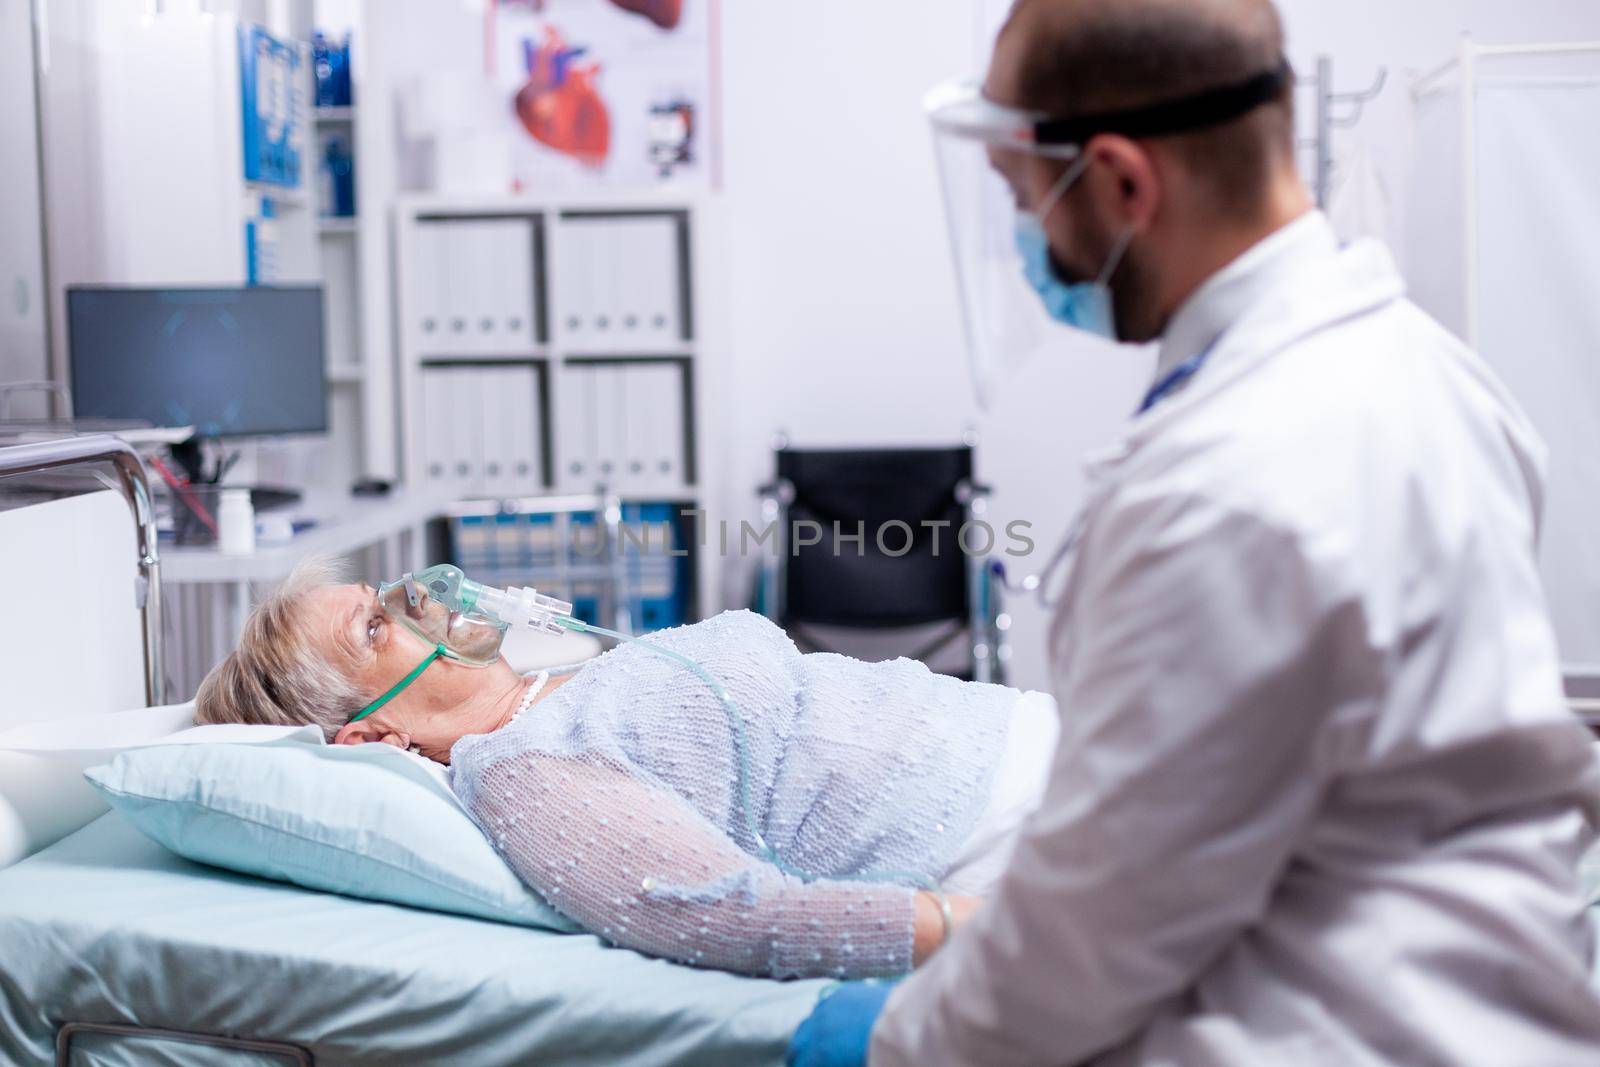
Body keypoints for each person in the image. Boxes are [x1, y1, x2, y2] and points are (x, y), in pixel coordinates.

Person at [789, 0, 1600, 1063]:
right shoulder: (1430, 373)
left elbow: (1091, 940)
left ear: (1123, 182)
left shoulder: (1227, 485)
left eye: (1022, 195)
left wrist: (900, 1041)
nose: (1026, 237)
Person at [194, 557, 1062, 979]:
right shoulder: (522, 771)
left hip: (1032, 740)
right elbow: (737, 917)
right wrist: (1018, 928)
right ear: (372, 736)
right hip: (1010, 834)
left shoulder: (553, 680)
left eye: (384, 592)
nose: (417, 598)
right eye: (375, 629)